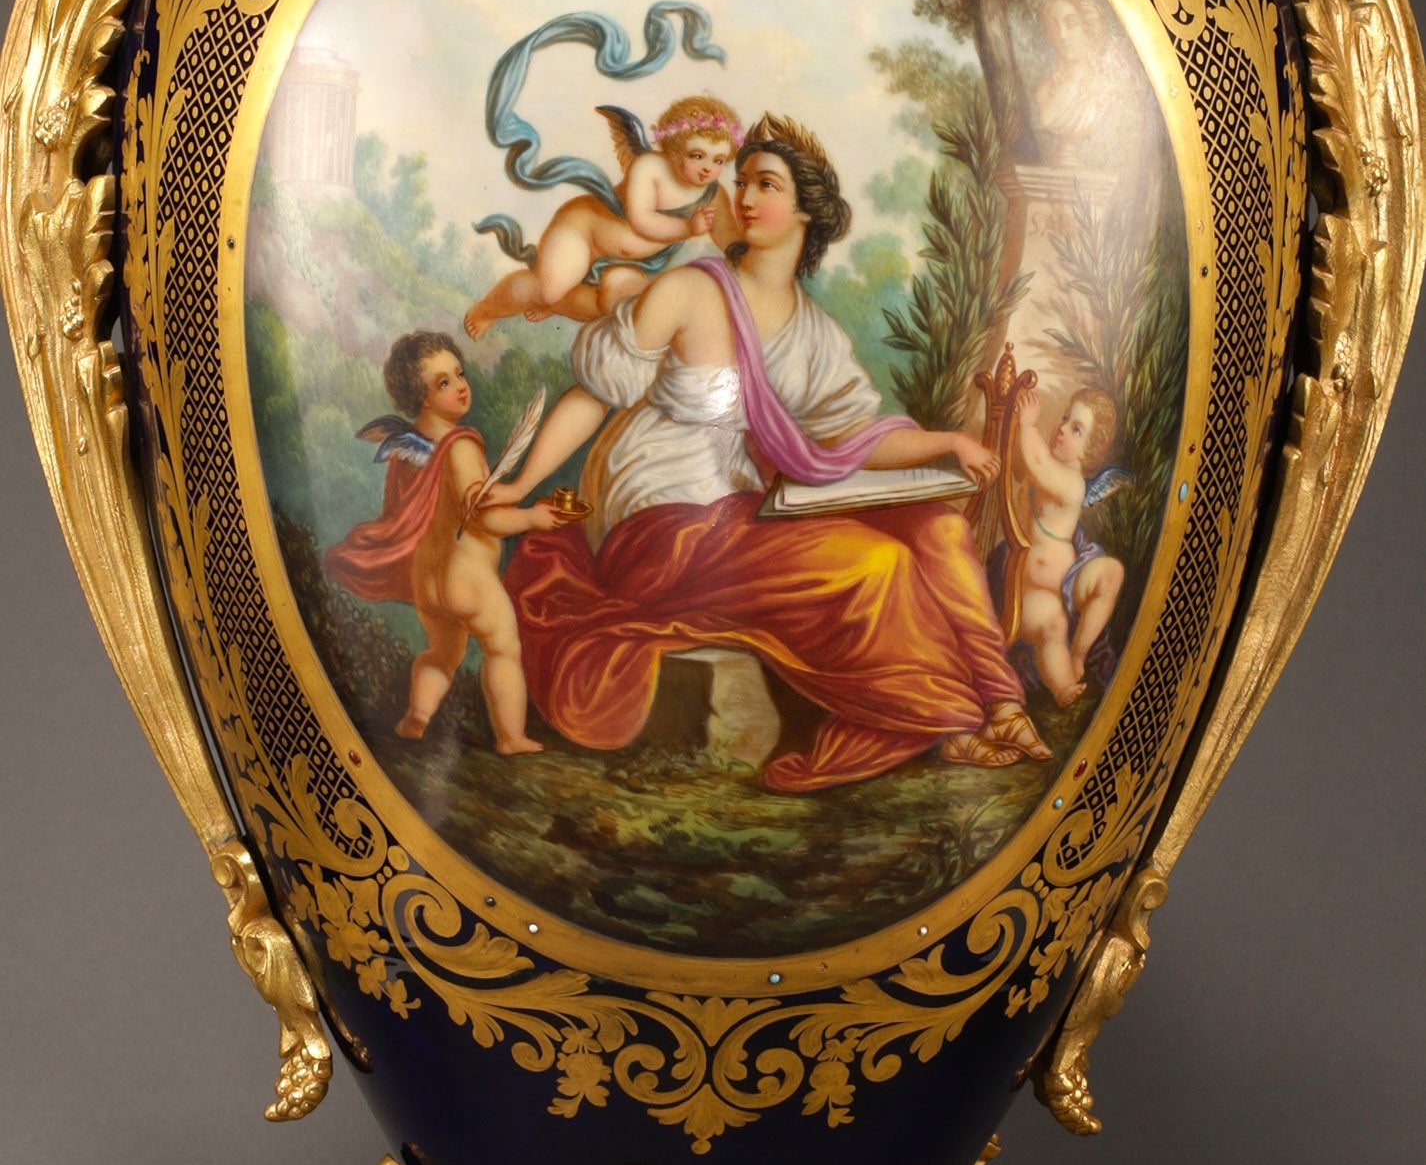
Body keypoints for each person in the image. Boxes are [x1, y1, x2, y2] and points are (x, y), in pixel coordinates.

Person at [486, 114, 1050, 790]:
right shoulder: (691, 289)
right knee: (878, 563)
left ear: (808, 211)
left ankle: (1003, 705)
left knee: (941, 529)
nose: (745, 197)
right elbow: (592, 395)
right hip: (664, 528)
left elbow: (854, 436)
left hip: (749, 516)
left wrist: (950, 441)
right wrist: (519, 484)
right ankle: (949, 723)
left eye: (767, 184)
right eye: (743, 181)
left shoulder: (814, 335)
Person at [323, 330, 575, 748]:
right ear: (421, 397)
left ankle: (418, 716)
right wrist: (531, 517)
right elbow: (485, 518)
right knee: (503, 649)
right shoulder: (460, 447)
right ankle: (510, 736)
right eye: (443, 382)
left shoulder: (407, 450)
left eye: (459, 373)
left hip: (428, 581)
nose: (460, 386)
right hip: (468, 578)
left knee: (441, 654)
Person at [463, 93, 741, 336]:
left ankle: (559, 304)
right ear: (675, 149)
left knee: (618, 305)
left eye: (718, 160)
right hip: (584, 231)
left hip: (632, 262)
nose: (708, 168)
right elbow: (641, 220)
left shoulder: (713, 195)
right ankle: (488, 308)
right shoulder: (650, 168)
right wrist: (687, 229)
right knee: (548, 289)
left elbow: (731, 241)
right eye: (697, 156)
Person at [1014, 385, 1126, 705]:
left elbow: (1037, 461)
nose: (1062, 428)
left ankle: (1079, 652)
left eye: (1076, 429)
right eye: (1064, 419)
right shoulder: (1045, 472)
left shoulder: (1072, 484)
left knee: (1112, 572)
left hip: (1070, 581)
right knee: (1052, 625)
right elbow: (1028, 463)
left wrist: (1027, 424)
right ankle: (1063, 686)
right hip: (1036, 592)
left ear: (1088, 451)